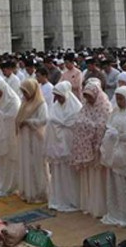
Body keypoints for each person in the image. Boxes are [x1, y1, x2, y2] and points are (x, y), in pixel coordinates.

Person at [100, 86, 126, 227]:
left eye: (121, 99)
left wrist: (117, 135)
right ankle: (116, 213)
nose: (118, 101)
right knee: (115, 186)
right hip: (114, 154)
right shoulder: (116, 111)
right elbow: (109, 126)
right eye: (117, 98)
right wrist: (111, 134)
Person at [72, 80, 111, 217]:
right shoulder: (86, 106)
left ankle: (100, 207)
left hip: (98, 149)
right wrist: (87, 126)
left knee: (98, 178)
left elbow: (103, 125)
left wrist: (89, 127)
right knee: (89, 177)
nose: (88, 99)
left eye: (90, 96)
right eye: (86, 96)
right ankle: (89, 204)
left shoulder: (105, 106)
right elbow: (79, 120)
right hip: (86, 149)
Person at [45, 81, 82, 212]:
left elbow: (78, 126)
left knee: (70, 175)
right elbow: (50, 122)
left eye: (60, 96)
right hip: (57, 146)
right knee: (58, 173)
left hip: (70, 145)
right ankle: (59, 199)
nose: (57, 99)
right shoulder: (54, 107)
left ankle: (72, 200)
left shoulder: (76, 108)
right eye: (56, 96)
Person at [15, 78, 49, 203]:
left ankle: (39, 192)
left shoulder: (40, 103)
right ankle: (27, 191)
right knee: (27, 163)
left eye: (26, 92)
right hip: (25, 137)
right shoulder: (25, 102)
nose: (24, 95)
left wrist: (28, 122)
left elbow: (44, 120)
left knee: (37, 164)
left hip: (36, 137)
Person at [0, 78, 20, 194]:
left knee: (11, 160)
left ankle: (13, 185)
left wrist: (1, 114)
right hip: (0, 134)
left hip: (11, 135)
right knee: (2, 160)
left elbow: (14, 116)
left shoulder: (13, 100)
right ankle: (3, 184)